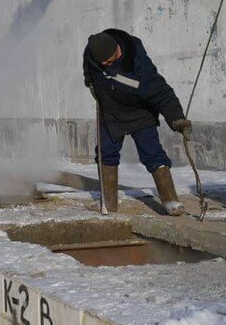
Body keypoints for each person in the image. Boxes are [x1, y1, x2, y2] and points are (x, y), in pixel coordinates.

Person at [82, 29, 192, 216]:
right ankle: (108, 203)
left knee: (152, 153)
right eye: (102, 63)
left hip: (140, 113)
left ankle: (170, 200)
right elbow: (89, 72)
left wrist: (177, 119)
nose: (105, 65)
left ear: (118, 49)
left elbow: (161, 92)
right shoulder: (92, 55)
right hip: (110, 113)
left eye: (110, 61)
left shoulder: (137, 62)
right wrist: (91, 83)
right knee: (105, 153)